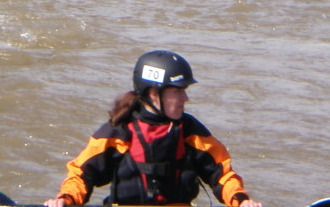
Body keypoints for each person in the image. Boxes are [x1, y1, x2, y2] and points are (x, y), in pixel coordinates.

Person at [43, 50, 262, 207]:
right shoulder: (119, 132)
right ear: (153, 94)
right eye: (177, 92)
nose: (185, 98)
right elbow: (81, 174)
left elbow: (223, 175)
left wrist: (241, 201)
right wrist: (65, 200)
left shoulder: (190, 131)